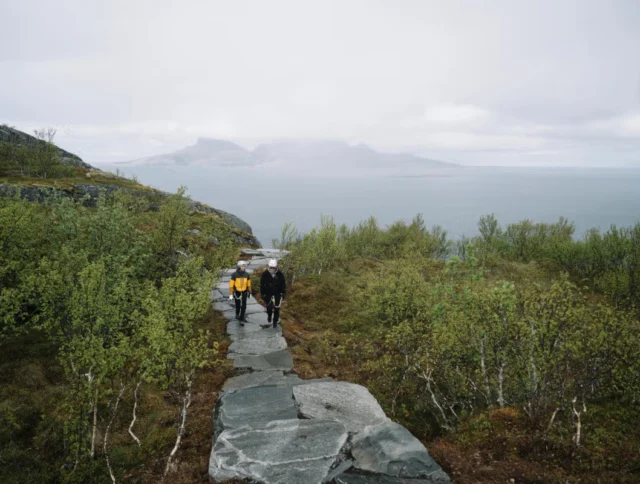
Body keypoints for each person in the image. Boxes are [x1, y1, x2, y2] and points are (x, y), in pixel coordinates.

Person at [260, 258, 286, 328]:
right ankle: (269, 315)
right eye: (271, 267)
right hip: (268, 294)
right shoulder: (265, 274)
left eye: (273, 268)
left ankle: (275, 321)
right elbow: (262, 284)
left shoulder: (280, 274)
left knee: (277, 309)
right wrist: (262, 293)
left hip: (277, 294)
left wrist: (283, 293)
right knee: (269, 308)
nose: (272, 269)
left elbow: (283, 284)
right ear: (269, 267)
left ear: (276, 267)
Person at [229, 260, 252, 325]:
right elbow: (231, 285)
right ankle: (237, 313)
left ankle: (242, 318)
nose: (243, 267)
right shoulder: (234, 275)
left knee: (244, 306)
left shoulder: (246, 274)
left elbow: (249, 284)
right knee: (238, 305)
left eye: (244, 266)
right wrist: (231, 294)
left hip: (244, 292)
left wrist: (250, 292)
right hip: (237, 292)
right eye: (242, 266)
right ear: (239, 266)